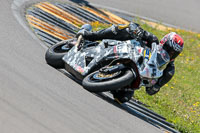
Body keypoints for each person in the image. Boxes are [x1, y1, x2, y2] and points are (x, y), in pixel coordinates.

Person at [76, 22, 184, 103]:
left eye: (174, 53)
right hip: (123, 51)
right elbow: (133, 25)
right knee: (125, 29)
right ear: (164, 42)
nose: (170, 54)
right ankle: (90, 35)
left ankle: (107, 80)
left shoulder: (168, 70)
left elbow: (151, 91)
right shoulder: (153, 40)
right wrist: (137, 31)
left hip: (134, 76)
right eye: (169, 49)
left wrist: (154, 85)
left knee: (123, 98)